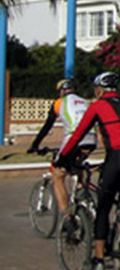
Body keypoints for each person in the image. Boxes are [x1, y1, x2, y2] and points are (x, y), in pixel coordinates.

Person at [57, 71, 120, 270]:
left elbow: (78, 134)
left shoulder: (98, 106)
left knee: (103, 206)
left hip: (119, 155)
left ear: (99, 90)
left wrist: (62, 157)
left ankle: (98, 259)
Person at [27, 78, 97, 213]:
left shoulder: (59, 103)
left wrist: (34, 145)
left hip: (73, 138)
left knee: (58, 175)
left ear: (62, 91)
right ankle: (81, 192)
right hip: (91, 139)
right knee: (76, 165)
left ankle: (66, 216)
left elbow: (47, 126)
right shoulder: (85, 102)